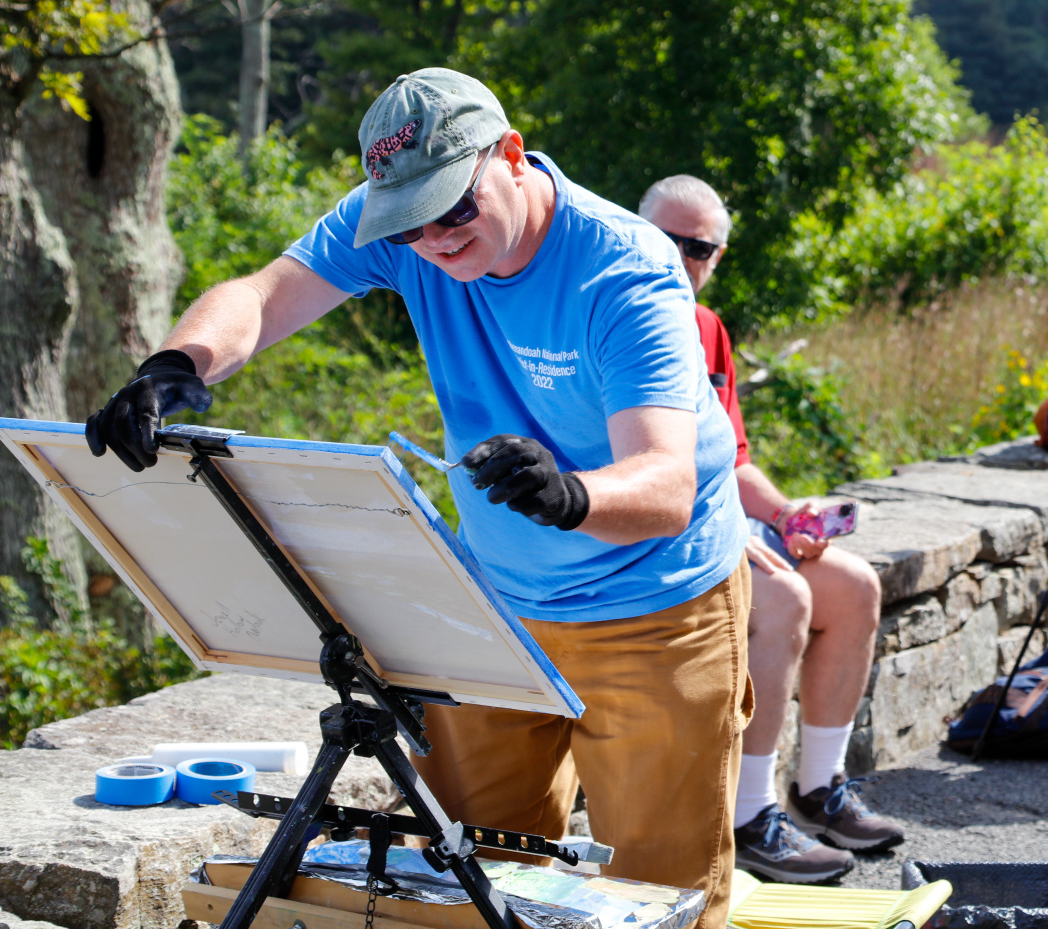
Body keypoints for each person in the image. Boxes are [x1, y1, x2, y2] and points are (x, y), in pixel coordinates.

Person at [82, 71, 753, 928]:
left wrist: (570, 493)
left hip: (654, 607)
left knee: (651, 901)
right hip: (496, 607)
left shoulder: (623, 270)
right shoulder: (406, 225)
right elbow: (262, 294)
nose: (433, 239)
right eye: (409, 220)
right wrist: (175, 367)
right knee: (466, 875)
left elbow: (667, 485)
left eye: (455, 210)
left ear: (510, 156)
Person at [638, 175, 901, 885]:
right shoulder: (613, 315)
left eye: (701, 248)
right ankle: (748, 815)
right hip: (651, 537)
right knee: (784, 600)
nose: (682, 258)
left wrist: (786, 515)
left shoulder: (708, 327)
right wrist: (724, 524)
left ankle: (819, 788)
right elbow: (626, 468)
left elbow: (733, 458)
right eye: (668, 240)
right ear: (637, 235)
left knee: (853, 586)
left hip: (718, 517)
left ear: (717, 256)